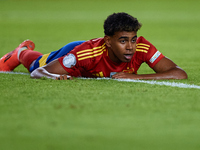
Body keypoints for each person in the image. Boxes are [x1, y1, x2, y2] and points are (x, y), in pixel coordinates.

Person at [0, 12, 187, 80]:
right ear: (108, 41)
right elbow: (38, 73)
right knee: (36, 64)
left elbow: (180, 73)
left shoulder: (141, 48)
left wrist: (136, 78)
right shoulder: (85, 54)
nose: (130, 46)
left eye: (133, 39)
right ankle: (21, 52)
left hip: (89, 51)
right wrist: (54, 78)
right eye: (123, 41)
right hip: (74, 49)